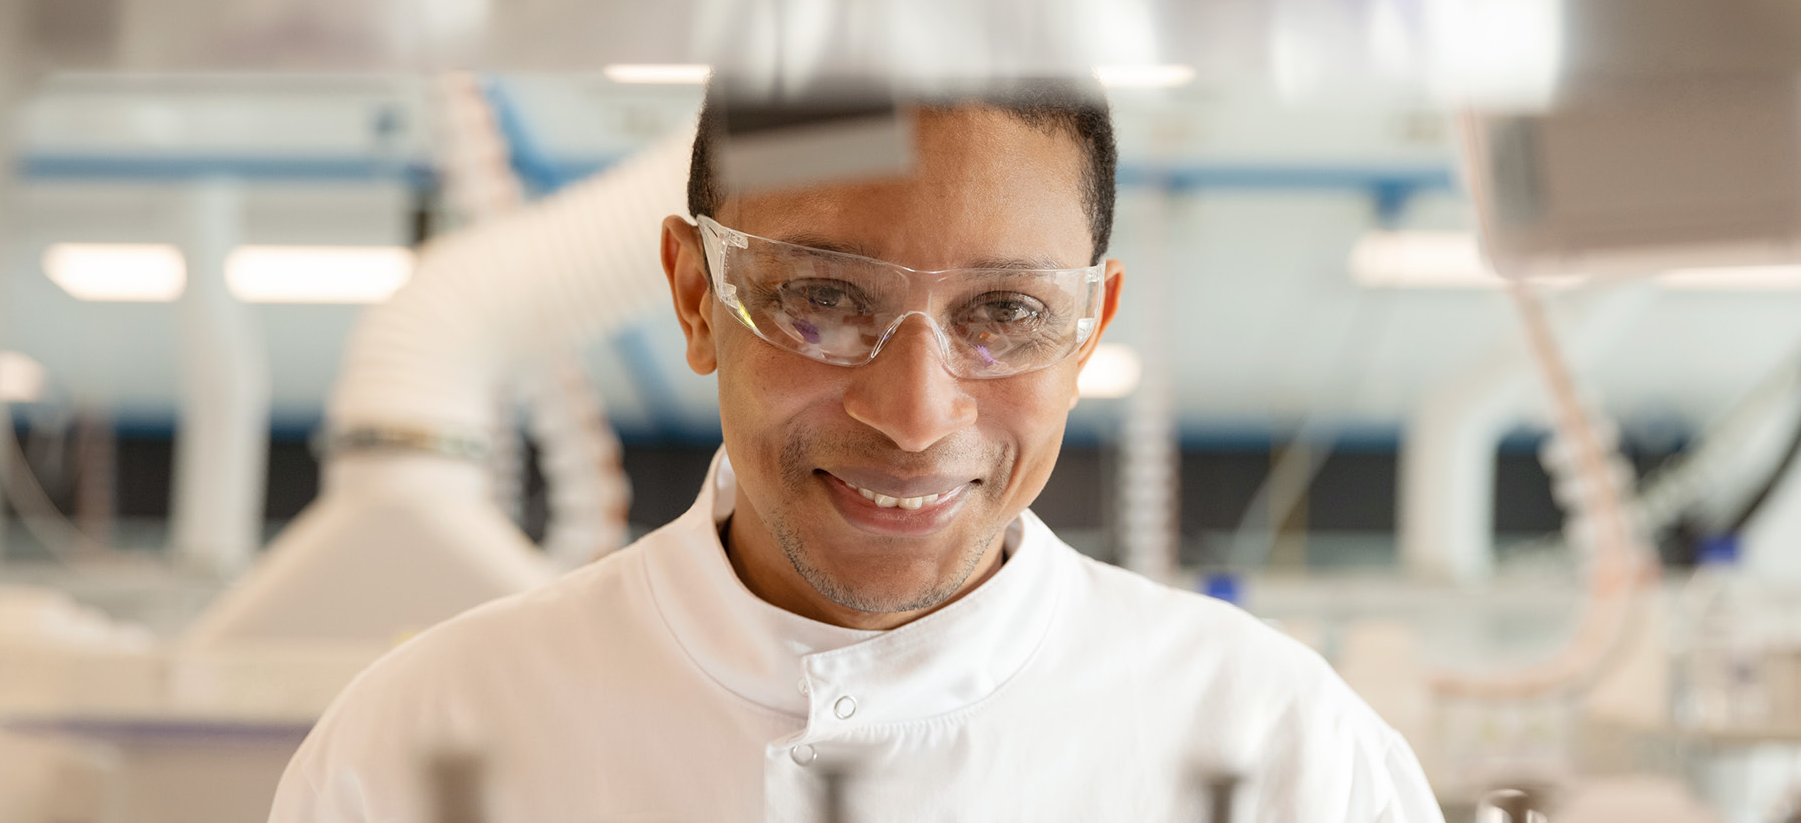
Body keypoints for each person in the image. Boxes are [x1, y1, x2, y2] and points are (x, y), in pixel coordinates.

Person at [268, 79, 1443, 822]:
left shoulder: (1286, 751)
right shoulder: (419, 746)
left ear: (1088, 333)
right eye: (821, 298)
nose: (918, 414)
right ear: (693, 295)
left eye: (1007, 313)